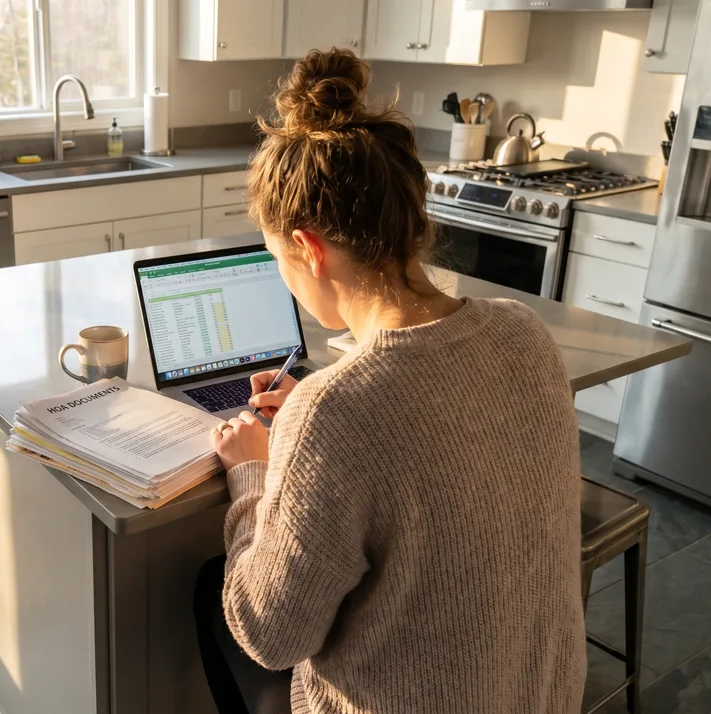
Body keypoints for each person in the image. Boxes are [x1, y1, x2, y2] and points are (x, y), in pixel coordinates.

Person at [194, 48, 586, 714]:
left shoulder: (334, 413)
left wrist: (254, 475)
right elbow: (426, 423)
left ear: (311, 249)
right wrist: (313, 422)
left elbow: (270, 633)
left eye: (278, 257)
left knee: (214, 596)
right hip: (538, 696)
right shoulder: (524, 333)